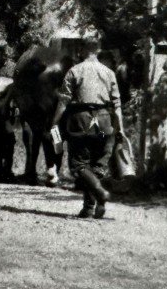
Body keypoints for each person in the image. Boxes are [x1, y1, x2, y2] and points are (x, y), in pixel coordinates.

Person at [50, 28, 125, 219]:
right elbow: (116, 105)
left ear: (83, 49)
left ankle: (101, 194)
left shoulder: (75, 71)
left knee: (78, 165)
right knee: (96, 166)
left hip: (81, 121)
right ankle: (89, 208)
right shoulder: (109, 73)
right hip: (103, 120)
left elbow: (64, 101)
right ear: (98, 50)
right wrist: (120, 129)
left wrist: (54, 122)